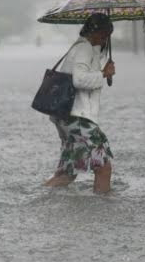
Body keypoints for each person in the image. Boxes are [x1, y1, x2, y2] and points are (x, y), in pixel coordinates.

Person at [43, 13, 116, 193]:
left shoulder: (84, 48)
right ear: (96, 32)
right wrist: (103, 74)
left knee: (66, 174)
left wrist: (101, 68)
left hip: (66, 117)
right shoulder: (84, 49)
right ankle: (105, 213)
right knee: (103, 167)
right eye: (105, 34)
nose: (106, 39)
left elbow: (81, 76)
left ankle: (40, 198)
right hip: (78, 118)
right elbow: (80, 80)